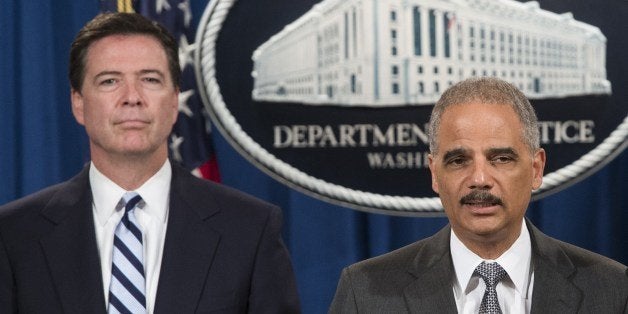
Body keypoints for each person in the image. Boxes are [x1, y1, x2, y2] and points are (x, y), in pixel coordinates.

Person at [0, 13, 300, 313]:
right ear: (78, 103)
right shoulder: (14, 234)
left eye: (150, 79)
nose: (132, 97)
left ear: (173, 102)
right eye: (109, 81)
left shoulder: (250, 230)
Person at [329, 77, 628, 313]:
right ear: (434, 173)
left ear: (536, 169)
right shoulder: (365, 294)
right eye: (459, 160)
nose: (480, 179)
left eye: (501, 158)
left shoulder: (613, 290)